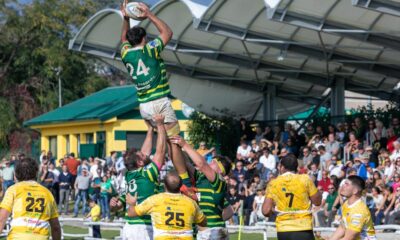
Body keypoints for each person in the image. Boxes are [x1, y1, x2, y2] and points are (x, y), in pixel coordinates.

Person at [110, 114, 167, 240]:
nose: (146, 154)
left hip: (129, 227)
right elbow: (161, 151)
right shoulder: (147, 173)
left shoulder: (129, 175)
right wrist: (160, 125)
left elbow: (119, 205)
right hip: (143, 228)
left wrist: (150, 130)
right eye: (142, 155)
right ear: (140, 163)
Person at [170, 135, 234, 240]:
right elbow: (184, 163)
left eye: (213, 162)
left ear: (220, 171)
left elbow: (202, 164)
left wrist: (185, 144)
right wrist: (172, 143)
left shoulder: (220, 182)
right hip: (204, 233)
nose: (209, 163)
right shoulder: (200, 177)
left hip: (214, 232)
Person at [126, 171, 207, 239]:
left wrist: (132, 204)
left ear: (164, 185)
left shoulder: (155, 200)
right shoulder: (191, 203)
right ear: (180, 186)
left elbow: (131, 213)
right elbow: (203, 222)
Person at [262, 154, 322, 240]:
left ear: (282, 167)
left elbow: (265, 211)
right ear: (296, 167)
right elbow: (317, 202)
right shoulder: (305, 179)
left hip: (284, 229)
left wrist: (274, 208)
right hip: (303, 227)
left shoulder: (273, 183)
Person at [0, 157, 61, 240]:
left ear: (16, 174)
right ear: (36, 172)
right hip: (41, 237)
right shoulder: (47, 193)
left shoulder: (13, 190)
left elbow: (2, 219)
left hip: (18, 236)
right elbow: (56, 227)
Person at [327, 176, 376, 240]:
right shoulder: (346, 204)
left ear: (355, 191)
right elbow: (342, 227)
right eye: (343, 183)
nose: (342, 186)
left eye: (346, 184)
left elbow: (348, 238)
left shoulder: (359, 210)